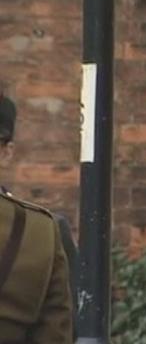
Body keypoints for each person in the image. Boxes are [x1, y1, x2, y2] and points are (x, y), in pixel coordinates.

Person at [0, 94, 75, 342]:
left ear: (7, 153)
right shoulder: (40, 232)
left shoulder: (43, 231)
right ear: (6, 153)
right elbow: (56, 333)